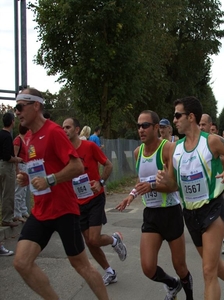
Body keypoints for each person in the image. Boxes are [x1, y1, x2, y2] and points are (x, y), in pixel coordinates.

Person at [13, 88, 109, 300]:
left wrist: (50, 180)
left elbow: (77, 167)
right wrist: (27, 179)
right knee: (21, 262)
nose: (17, 112)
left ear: (35, 105)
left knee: (81, 265)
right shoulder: (29, 138)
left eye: (20, 106)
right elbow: (41, 168)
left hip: (64, 210)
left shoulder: (54, 132)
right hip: (41, 211)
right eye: (15, 107)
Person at [157, 96, 224, 300]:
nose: (174, 120)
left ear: (191, 117)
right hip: (190, 214)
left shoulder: (211, 141)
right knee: (215, 266)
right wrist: (165, 181)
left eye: (177, 115)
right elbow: (174, 185)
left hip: (212, 208)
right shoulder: (175, 149)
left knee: (208, 271)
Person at [116, 110, 193, 300]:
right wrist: (132, 195)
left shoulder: (168, 148)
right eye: (138, 126)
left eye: (145, 126)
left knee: (180, 266)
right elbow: (140, 181)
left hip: (171, 213)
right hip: (151, 214)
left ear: (156, 127)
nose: (140, 130)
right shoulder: (137, 152)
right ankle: (172, 284)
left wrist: (151, 186)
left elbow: (174, 185)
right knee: (148, 268)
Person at [63, 117, 127, 286]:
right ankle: (109, 271)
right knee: (89, 241)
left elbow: (108, 165)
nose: (64, 130)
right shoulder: (64, 151)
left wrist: (100, 182)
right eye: (63, 127)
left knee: (94, 239)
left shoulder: (90, 146)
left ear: (77, 130)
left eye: (68, 127)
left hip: (94, 199)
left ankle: (115, 240)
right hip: (78, 201)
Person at [199, 114, 224, 255]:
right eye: (199, 125)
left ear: (211, 126)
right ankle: (208, 239)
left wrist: (216, 157)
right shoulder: (197, 141)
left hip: (217, 182)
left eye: (204, 125)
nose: (201, 128)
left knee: (220, 211)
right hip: (202, 184)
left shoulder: (217, 141)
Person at [1, 112, 23, 227]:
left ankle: (6, 216)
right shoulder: (7, 136)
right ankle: (7, 218)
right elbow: (7, 156)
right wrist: (16, 159)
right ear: (11, 122)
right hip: (6, 166)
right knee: (8, 193)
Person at [13, 124, 30, 223]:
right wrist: (17, 170)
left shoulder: (26, 140)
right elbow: (15, 156)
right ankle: (17, 213)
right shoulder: (17, 140)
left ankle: (23, 210)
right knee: (18, 191)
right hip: (20, 165)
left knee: (24, 190)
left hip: (26, 165)